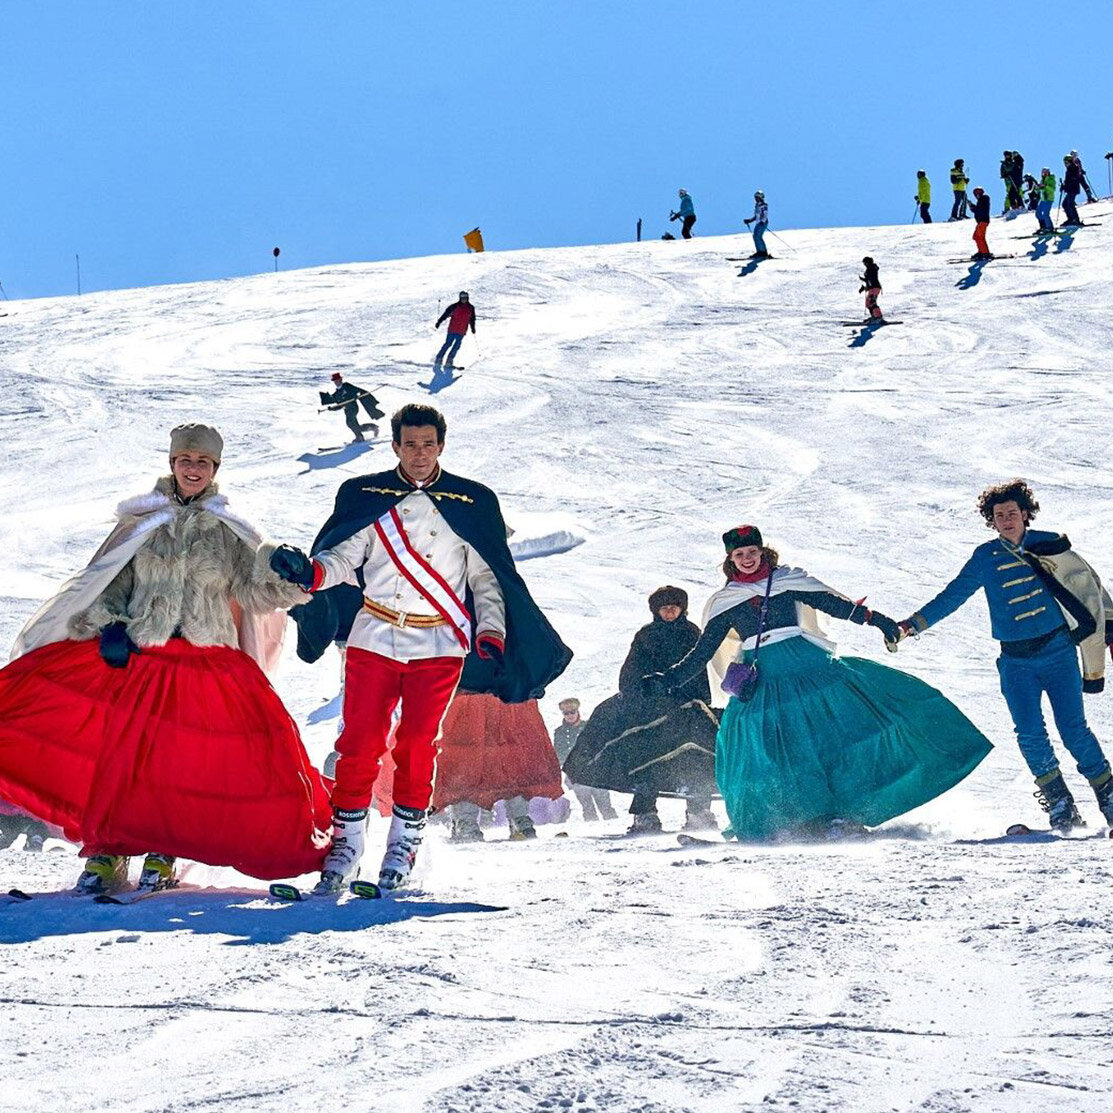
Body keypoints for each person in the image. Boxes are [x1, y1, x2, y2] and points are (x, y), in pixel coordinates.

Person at [0, 424, 332, 894]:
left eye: (203, 462)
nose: (193, 469)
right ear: (172, 463)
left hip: (206, 657)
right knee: (124, 759)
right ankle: (108, 853)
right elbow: (108, 580)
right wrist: (111, 623)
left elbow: (252, 592)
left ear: (215, 469)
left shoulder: (229, 530)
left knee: (187, 762)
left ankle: (164, 852)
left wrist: (287, 578)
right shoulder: (141, 522)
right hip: (143, 656)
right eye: (185, 460)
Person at [273, 403, 572, 894]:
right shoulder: (366, 495)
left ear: (441, 446)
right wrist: (311, 574)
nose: (418, 453)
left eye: (428, 444)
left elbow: (487, 578)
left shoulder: (471, 501)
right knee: (359, 743)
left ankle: (402, 845)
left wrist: (490, 633)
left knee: (416, 744)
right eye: (409, 444)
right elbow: (345, 558)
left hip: (440, 641)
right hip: (373, 636)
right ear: (394, 446)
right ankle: (345, 847)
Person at [642, 525, 993, 842]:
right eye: (739, 555)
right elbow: (703, 651)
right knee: (768, 752)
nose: (747, 560)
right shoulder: (725, 601)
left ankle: (839, 814)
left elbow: (837, 606)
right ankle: (794, 820)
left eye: (752, 552)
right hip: (764, 681)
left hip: (807, 667)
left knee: (831, 739)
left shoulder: (788, 580)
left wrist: (880, 622)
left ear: (762, 552)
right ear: (730, 560)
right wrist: (668, 680)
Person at [894, 480, 1113, 832]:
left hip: (1057, 653)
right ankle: (1061, 806)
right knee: (1029, 734)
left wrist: (1110, 631)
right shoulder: (985, 557)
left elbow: (1087, 585)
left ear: (1025, 515)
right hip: (1015, 662)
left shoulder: (1050, 545)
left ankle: (1110, 800)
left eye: (1012, 513)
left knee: (1073, 730)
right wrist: (913, 625)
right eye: (999, 515)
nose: (1007, 520)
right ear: (991, 521)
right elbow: (953, 596)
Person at [564, 585, 719, 834]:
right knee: (647, 756)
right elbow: (631, 671)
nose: (670, 612)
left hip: (686, 707)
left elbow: (699, 670)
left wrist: (688, 695)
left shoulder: (691, 634)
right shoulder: (646, 635)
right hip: (652, 709)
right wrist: (644, 691)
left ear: (682, 609)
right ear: (656, 611)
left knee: (697, 756)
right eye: (664, 608)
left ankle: (699, 811)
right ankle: (645, 814)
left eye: (674, 607)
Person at [553, 698, 616, 822]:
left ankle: (613, 825)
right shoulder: (560, 732)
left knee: (604, 804)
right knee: (587, 807)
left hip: (595, 770)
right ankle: (591, 827)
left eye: (572, 712)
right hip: (576, 773)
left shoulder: (589, 727)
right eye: (566, 713)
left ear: (577, 712)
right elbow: (559, 752)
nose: (570, 715)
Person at [319, 373, 383, 443]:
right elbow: (340, 405)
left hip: (353, 408)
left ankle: (359, 437)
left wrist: (355, 395)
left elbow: (356, 390)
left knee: (350, 423)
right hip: (347, 410)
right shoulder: (337, 393)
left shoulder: (346, 386)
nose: (336, 382)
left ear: (341, 379)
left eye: (337, 380)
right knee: (353, 425)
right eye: (335, 381)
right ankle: (372, 427)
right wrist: (332, 408)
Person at [433, 292, 476, 371]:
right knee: (448, 344)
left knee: (456, 346)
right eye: (462, 298)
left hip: (462, 331)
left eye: (465, 298)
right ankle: (439, 358)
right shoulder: (454, 306)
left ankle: (449, 361)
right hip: (452, 329)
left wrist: (473, 328)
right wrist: (439, 322)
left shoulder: (471, 308)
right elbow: (445, 315)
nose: (464, 299)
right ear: (460, 298)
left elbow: (472, 319)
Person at [743, 191, 769, 257]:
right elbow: (756, 216)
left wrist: (762, 221)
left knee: (758, 236)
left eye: (757, 197)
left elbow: (765, 214)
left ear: (760, 197)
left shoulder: (763, 205)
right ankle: (759, 251)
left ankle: (763, 252)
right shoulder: (757, 206)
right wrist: (749, 220)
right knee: (755, 236)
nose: (755, 199)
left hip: (762, 223)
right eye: (755, 197)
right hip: (759, 223)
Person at [969, 187, 992, 258]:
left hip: (983, 221)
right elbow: (977, 210)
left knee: (979, 237)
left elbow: (979, 210)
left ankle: (985, 253)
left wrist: (972, 206)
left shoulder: (984, 199)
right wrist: (972, 206)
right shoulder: (981, 200)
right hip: (981, 222)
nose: (976, 196)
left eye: (976, 194)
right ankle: (981, 251)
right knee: (976, 236)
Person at [1062, 155, 1083, 227]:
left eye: (1066, 162)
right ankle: (1071, 219)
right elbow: (1068, 180)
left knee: (1070, 204)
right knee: (1065, 204)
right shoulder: (1069, 168)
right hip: (1070, 189)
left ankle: (1075, 219)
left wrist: (1066, 185)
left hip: (1073, 189)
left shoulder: (1074, 167)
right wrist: (1064, 186)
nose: (1065, 164)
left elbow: (1073, 179)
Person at [859, 257, 882, 322]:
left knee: (871, 302)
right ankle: (874, 316)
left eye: (865, 263)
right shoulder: (871, 269)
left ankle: (877, 317)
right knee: (868, 303)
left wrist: (864, 280)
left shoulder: (871, 269)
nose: (864, 264)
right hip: (873, 288)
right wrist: (864, 286)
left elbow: (870, 279)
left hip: (874, 288)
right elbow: (869, 280)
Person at [1036, 168, 1057, 232]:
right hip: (1043, 199)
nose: (1045, 174)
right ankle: (1043, 227)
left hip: (1049, 198)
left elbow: (1052, 189)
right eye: (1043, 173)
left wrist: (1045, 186)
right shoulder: (1042, 180)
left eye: (1046, 172)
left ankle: (1049, 227)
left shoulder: (1051, 179)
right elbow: (1039, 190)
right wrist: (1038, 187)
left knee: (1045, 214)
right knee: (1038, 213)